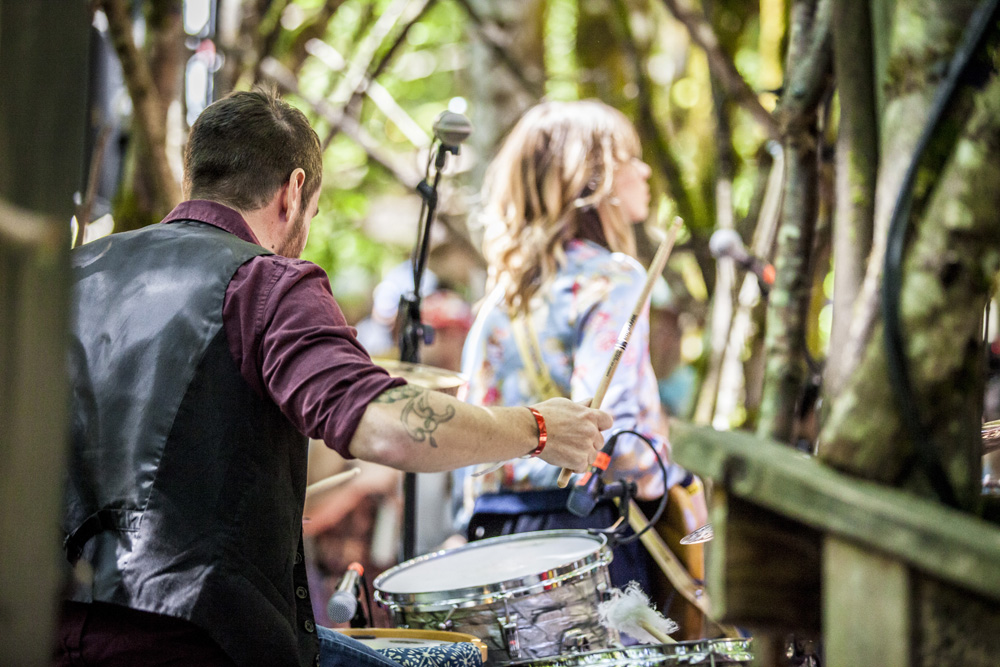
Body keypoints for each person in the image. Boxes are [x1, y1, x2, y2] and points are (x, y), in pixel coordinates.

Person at [57, 89, 612, 667]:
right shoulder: (265, 284)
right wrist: (537, 428)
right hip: (203, 641)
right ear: (294, 191)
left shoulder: (71, 276)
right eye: (314, 213)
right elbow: (390, 428)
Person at [454, 100, 690, 599]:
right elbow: (614, 435)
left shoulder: (501, 298)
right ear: (592, 180)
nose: (645, 170)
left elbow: (468, 442)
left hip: (495, 536)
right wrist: (673, 473)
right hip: (587, 538)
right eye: (629, 157)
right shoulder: (614, 277)